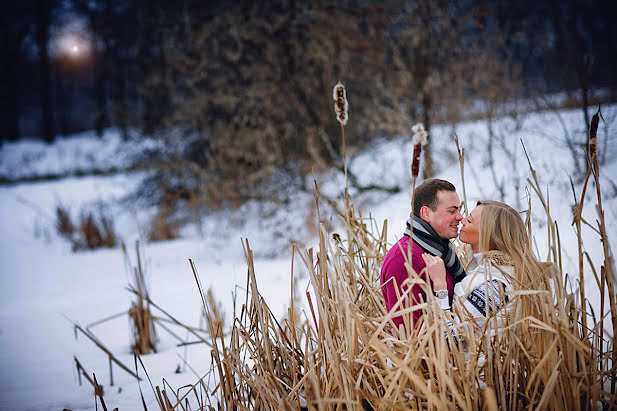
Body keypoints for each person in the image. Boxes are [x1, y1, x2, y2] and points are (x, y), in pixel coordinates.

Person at [422, 200, 553, 337]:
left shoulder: (495, 285)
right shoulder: (488, 270)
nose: (462, 219)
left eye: (470, 220)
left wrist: (440, 285)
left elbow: (450, 339)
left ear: (487, 233)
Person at [380, 179, 465, 333]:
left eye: (459, 210)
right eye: (452, 211)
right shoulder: (404, 259)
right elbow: (407, 335)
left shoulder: (442, 251)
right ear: (426, 213)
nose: (460, 217)